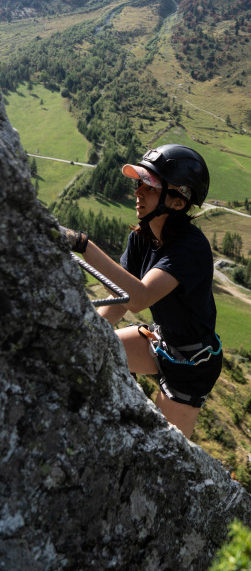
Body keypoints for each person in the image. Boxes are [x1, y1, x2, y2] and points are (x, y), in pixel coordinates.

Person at [60, 144, 222, 439]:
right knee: (88, 349)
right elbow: (118, 294)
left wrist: (83, 244)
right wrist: (89, 329)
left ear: (177, 200)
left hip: (191, 367)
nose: (137, 192)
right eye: (139, 183)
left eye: (148, 185)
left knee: (169, 449)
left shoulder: (191, 248)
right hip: (161, 342)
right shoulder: (142, 237)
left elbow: (140, 297)